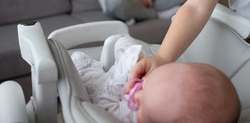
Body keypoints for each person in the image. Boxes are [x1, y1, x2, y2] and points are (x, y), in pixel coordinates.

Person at [72, 36, 240, 123]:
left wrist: (123, 73)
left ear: (137, 101)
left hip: (104, 91)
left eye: (142, 89)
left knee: (80, 65)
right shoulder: (155, 103)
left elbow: (102, 102)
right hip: (121, 84)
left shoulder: (118, 116)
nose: (140, 84)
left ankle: (88, 67)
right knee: (124, 42)